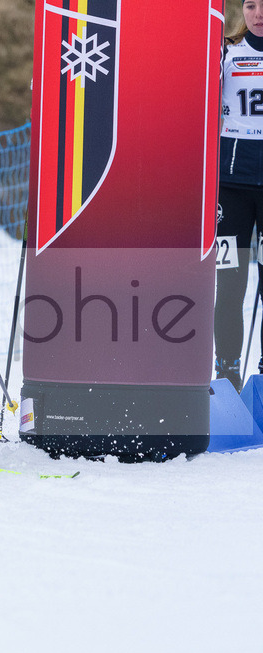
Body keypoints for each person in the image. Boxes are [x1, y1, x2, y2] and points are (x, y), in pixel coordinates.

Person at [216, 0, 263, 392]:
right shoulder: (226, 52)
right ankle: (226, 370)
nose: (258, 14)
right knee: (230, 284)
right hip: (231, 189)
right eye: (250, 5)